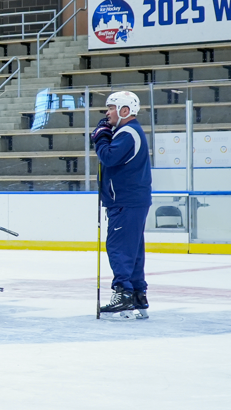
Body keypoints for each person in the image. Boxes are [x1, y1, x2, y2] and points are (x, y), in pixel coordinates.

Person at [91, 90, 151, 317]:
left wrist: (101, 137)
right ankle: (137, 294)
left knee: (119, 248)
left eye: (111, 108)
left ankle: (123, 293)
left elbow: (108, 157)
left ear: (124, 111)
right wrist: (105, 135)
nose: (107, 114)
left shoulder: (128, 132)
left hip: (125, 201)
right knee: (133, 250)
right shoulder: (128, 131)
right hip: (131, 200)